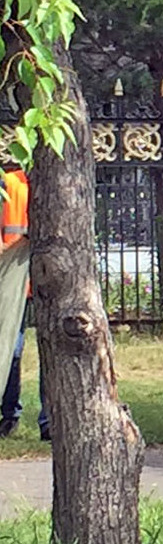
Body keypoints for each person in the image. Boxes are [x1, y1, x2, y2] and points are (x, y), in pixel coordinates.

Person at [0, 160, 46, 441]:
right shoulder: (10, 184)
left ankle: (47, 421)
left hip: (41, 282)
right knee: (11, 349)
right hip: (14, 282)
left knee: (51, 350)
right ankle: (9, 415)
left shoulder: (53, 186)